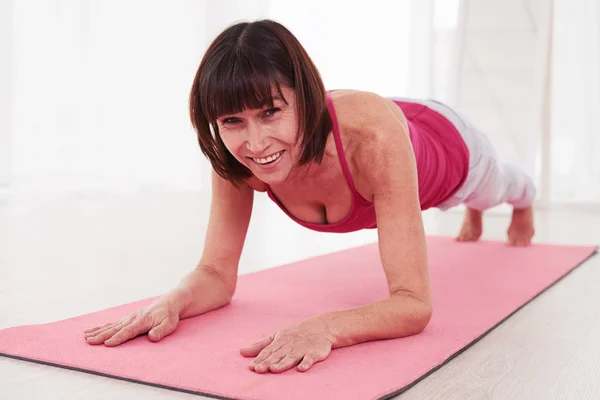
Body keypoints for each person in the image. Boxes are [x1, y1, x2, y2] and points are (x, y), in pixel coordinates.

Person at [83, 19, 536, 374]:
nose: (256, 143)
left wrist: (327, 327)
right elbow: (216, 274)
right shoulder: (240, 158)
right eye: (232, 121)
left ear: (307, 96)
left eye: (271, 112)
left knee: (495, 188)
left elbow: (413, 303)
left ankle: (520, 199)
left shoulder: (372, 140)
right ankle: (475, 216)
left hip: (449, 147)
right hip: (385, 131)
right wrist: (173, 302)